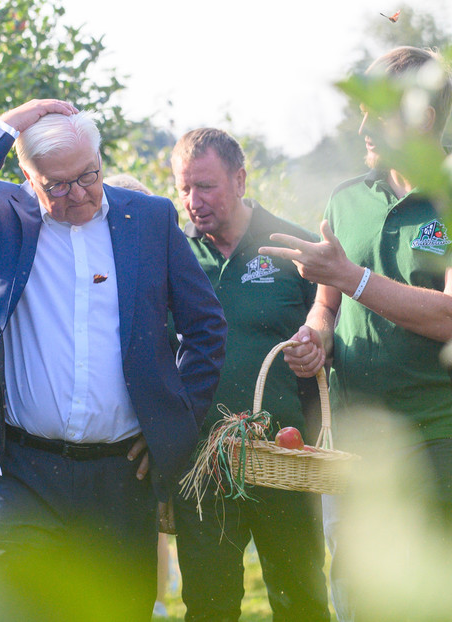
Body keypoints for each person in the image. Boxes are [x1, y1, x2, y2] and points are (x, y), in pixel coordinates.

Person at [0, 99, 226, 621]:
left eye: (89, 174)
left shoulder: (149, 220)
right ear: (27, 177)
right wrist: (10, 123)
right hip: (17, 472)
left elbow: (205, 326)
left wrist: (173, 427)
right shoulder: (5, 217)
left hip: (116, 480)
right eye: (58, 184)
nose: (80, 193)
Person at [260, 47, 452, 620]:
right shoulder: (347, 200)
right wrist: (315, 338)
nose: (362, 123)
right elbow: (328, 305)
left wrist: (351, 276)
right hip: (359, 436)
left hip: (446, 431)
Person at [169, 128, 330, 622]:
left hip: (285, 456)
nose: (194, 201)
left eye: (206, 186)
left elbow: (330, 328)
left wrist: (317, 343)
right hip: (202, 463)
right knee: (209, 605)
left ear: (240, 179)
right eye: (184, 189)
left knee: (299, 599)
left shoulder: (291, 245)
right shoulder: (174, 254)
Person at [103, 172, 179, 620]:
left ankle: (155, 601)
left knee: (147, 536)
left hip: (139, 440)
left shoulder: (162, 279)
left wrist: (160, 426)